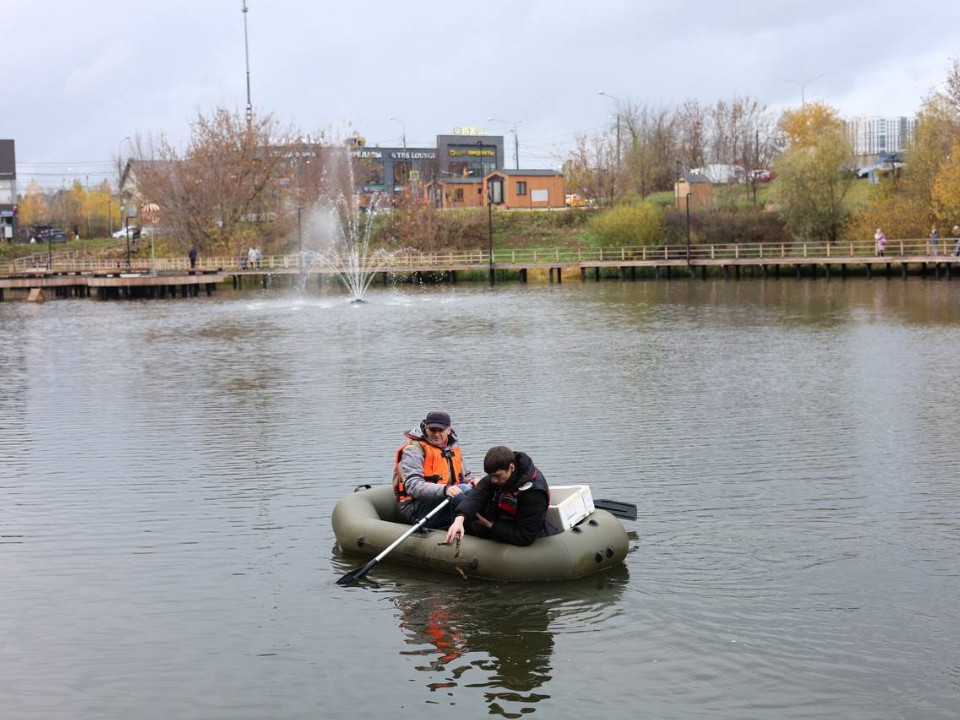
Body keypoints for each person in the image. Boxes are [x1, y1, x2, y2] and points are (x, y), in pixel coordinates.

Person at [444, 445, 556, 547]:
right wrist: (460, 517)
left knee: (462, 506)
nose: (493, 480)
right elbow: (480, 492)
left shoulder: (533, 493)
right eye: (491, 476)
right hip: (500, 515)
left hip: (508, 527)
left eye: (497, 476)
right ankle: (454, 526)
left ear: (511, 468)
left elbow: (524, 536)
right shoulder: (503, 470)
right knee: (459, 499)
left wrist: (489, 525)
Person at [393, 410, 476, 529]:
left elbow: (464, 476)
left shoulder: (453, 447)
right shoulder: (413, 450)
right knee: (461, 495)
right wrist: (445, 490)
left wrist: (472, 481)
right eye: (432, 430)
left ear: (449, 430)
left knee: (471, 491)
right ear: (425, 428)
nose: (436, 434)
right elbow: (413, 486)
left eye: (440, 430)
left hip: (447, 499)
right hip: (419, 509)